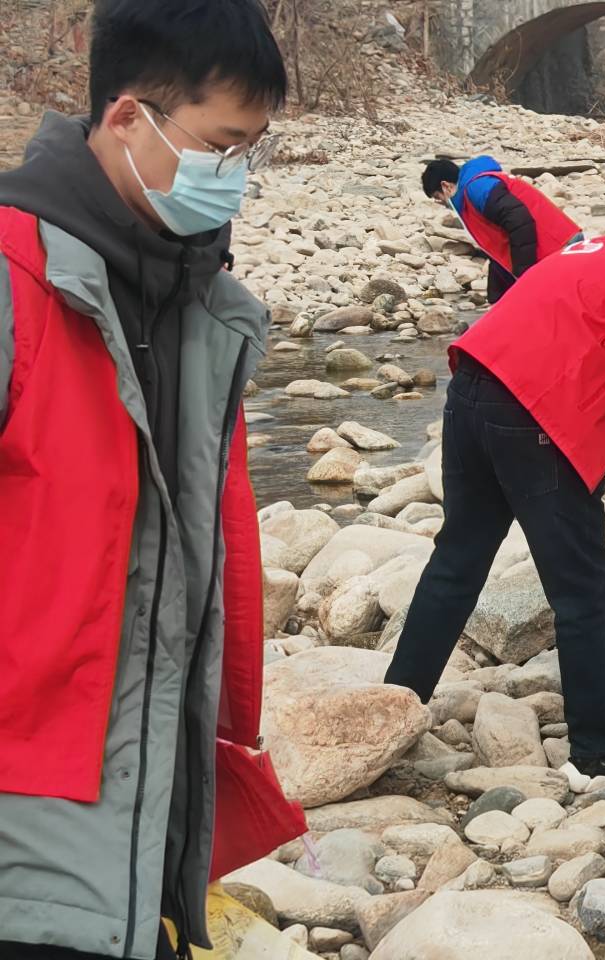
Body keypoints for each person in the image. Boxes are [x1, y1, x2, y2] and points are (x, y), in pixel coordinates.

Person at [0, 1, 306, 958]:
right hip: (30, 798)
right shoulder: (14, 280)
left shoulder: (199, 305)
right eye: (221, 148)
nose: (236, 177)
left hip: (147, 786)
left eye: (251, 150)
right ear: (128, 117)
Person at [385, 202, 605, 794]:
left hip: (473, 389)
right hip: (533, 420)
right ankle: (593, 750)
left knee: (456, 563)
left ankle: (392, 709)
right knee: (580, 589)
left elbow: (600, 377)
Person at [423, 156, 581, 303]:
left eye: (438, 197)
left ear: (446, 186)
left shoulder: (477, 188)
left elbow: (519, 221)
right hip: (554, 247)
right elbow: (499, 249)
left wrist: (525, 276)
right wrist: (496, 300)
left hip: (560, 247)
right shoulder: (471, 193)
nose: (441, 203)